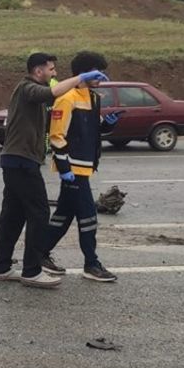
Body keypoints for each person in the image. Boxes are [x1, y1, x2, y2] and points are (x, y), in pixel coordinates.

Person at [0, 53, 108, 288]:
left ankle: (1, 267)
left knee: (13, 215)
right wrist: (79, 78)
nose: (55, 74)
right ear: (38, 71)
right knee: (39, 213)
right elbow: (51, 94)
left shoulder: (38, 95)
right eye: (52, 69)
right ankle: (32, 270)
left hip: (21, 160)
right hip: (21, 160)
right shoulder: (27, 88)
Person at [40, 50, 122, 283]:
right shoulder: (67, 98)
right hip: (73, 169)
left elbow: (93, 130)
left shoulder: (93, 98)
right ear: (85, 73)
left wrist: (107, 125)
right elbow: (56, 135)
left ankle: (39, 254)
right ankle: (91, 264)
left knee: (64, 215)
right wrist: (64, 168)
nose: (102, 76)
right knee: (88, 216)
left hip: (85, 166)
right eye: (98, 71)